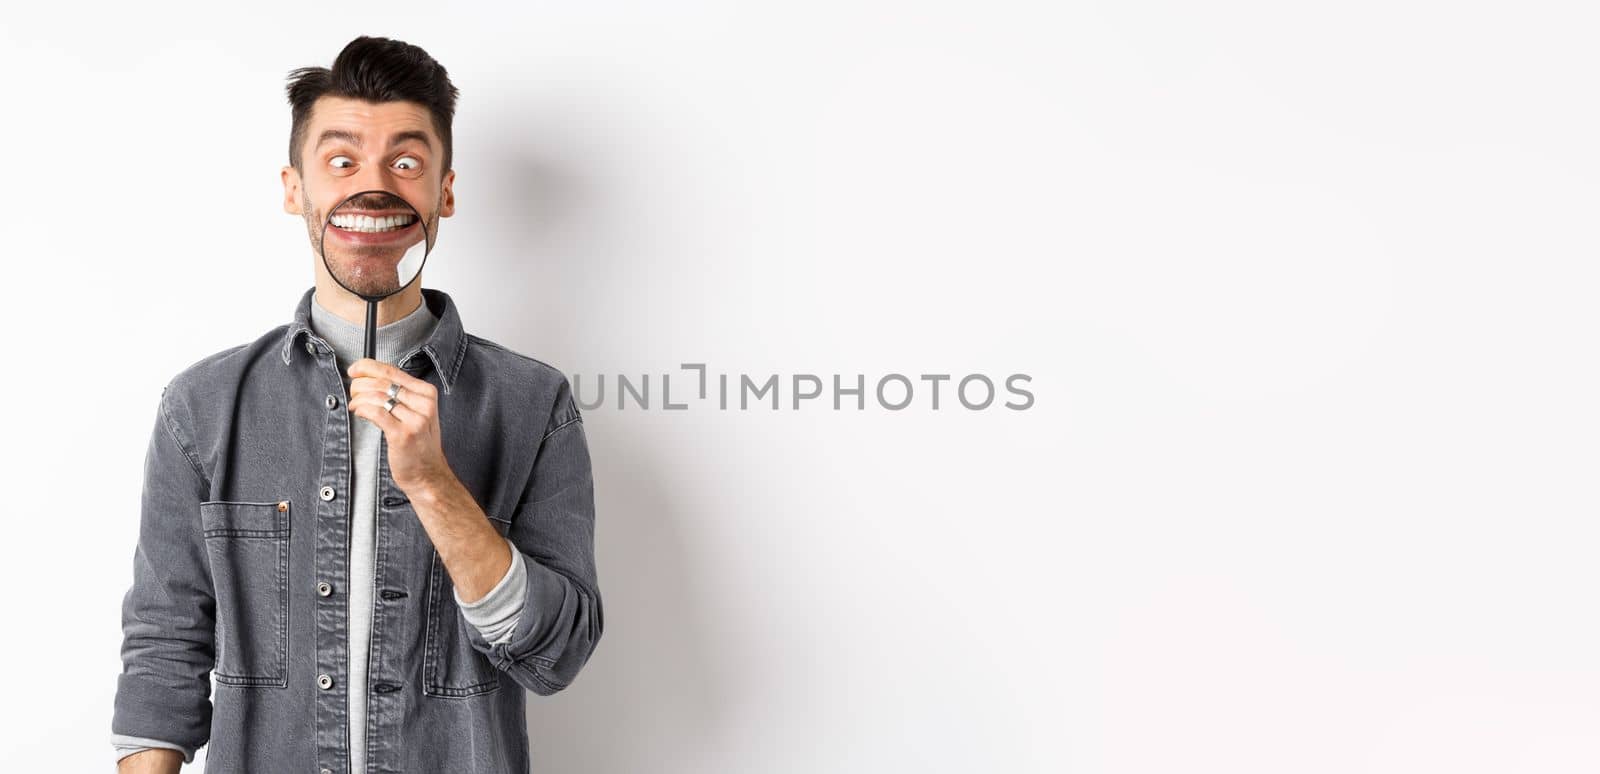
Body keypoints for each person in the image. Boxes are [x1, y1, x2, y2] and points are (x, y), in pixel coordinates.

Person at [110, 36, 603, 774]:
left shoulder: (534, 405)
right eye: (341, 161)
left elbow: (556, 652)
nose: (372, 188)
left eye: (405, 163)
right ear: (294, 188)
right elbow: (165, 644)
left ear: (444, 192)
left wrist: (434, 484)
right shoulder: (203, 407)